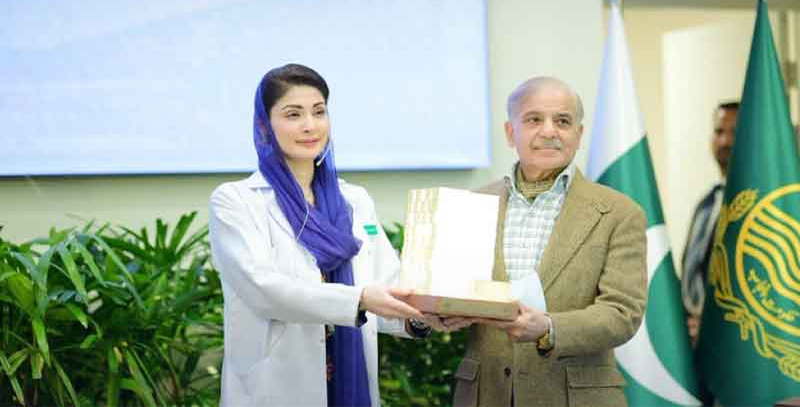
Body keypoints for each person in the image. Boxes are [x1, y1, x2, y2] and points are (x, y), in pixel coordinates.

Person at [208, 63, 427, 407]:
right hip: (276, 388)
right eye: (293, 114)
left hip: (350, 378)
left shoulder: (354, 200)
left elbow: (384, 283)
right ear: (264, 126)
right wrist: (359, 299)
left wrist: (422, 317)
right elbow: (263, 289)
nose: (310, 125)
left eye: (319, 111)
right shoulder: (236, 201)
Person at [448, 76, 647, 407]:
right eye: (534, 119)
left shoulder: (619, 213)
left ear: (579, 134)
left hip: (577, 398)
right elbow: (447, 292)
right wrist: (437, 313)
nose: (549, 131)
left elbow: (622, 313)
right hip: (485, 395)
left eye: (563, 121)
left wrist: (549, 327)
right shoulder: (471, 206)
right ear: (510, 132)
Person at [680, 102, 738, 345]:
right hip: (695, 341)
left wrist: (712, 322)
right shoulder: (705, 205)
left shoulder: (761, 209)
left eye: (735, 132)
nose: (725, 141)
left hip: (733, 340)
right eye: (719, 131)